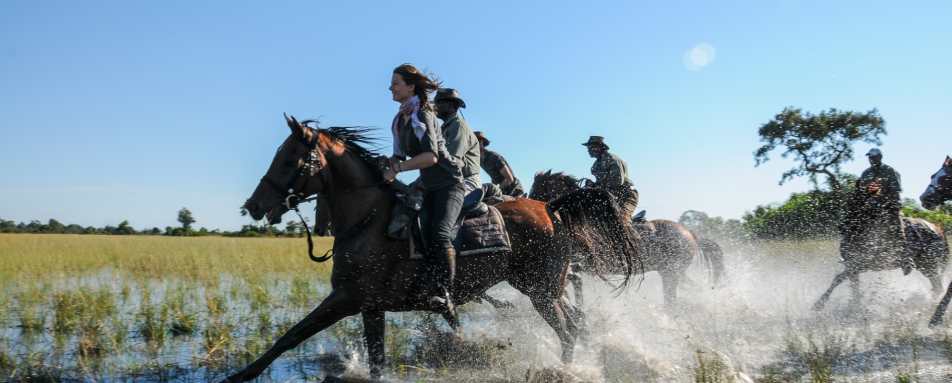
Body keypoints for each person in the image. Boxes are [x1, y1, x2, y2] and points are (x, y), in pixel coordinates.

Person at [382, 64, 462, 322]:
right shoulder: (399, 119)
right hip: (428, 186)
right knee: (419, 237)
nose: (391, 87)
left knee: (439, 236)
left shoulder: (423, 113)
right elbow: (398, 156)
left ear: (410, 86)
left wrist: (399, 168)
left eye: (395, 83)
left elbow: (431, 157)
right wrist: (386, 165)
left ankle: (446, 294)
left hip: (449, 184)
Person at [853, 148, 909, 273]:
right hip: (870, 206)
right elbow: (862, 192)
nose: (871, 160)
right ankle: (852, 254)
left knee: (895, 223)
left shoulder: (890, 171)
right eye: (869, 157)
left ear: (880, 157)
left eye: (873, 157)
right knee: (854, 222)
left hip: (890, 205)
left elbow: (895, 191)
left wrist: (883, 202)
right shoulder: (865, 173)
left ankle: (906, 256)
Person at [433, 88, 481, 195]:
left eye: (439, 102)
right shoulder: (444, 128)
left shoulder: (458, 126)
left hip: (467, 181)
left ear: (451, 105)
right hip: (449, 179)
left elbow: (452, 160)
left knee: (446, 202)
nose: (435, 106)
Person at [582, 135, 639, 219]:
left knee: (622, 219)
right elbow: (603, 183)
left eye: (591, 147)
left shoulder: (612, 160)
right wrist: (592, 185)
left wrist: (595, 186)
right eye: (588, 148)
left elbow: (617, 182)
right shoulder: (596, 164)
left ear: (600, 147)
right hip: (610, 196)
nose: (588, 150)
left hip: (625, 195)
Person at [475, 131, 525, 197]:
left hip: (514, 190)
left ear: (482, 142)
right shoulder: (479, 160)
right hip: (501, 191)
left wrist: (496, 188)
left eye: (477, 141)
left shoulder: (494, 157)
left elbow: (509, 179)